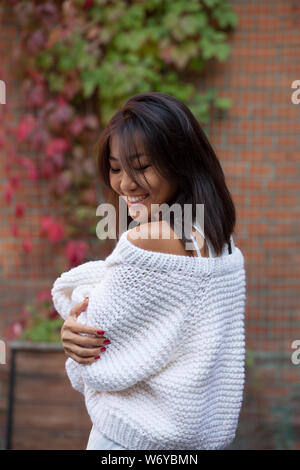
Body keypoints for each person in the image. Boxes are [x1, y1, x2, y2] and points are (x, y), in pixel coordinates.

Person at [51, 92, 246, 450]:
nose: (125, 184)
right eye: (115, 168)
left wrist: (73, 318)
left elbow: (96, 353)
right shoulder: (220, 241)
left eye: (141, 166)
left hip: (128, 441)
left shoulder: (147, 238)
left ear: (180, 161)